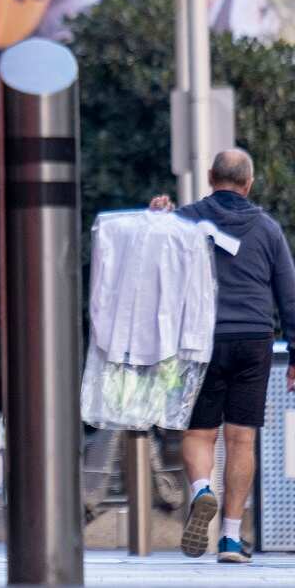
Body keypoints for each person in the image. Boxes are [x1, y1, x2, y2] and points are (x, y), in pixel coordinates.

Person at [150, 149, 295, 564]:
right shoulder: (267, 229)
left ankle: (201, 491)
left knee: (199, 434)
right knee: (241, 438)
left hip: (201, 339)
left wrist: (159, 215)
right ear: (248, 184)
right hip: (253, 338)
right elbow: (288, 293)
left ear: (211, 176)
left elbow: (153, 262)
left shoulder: (185, 221)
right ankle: (231, 539)